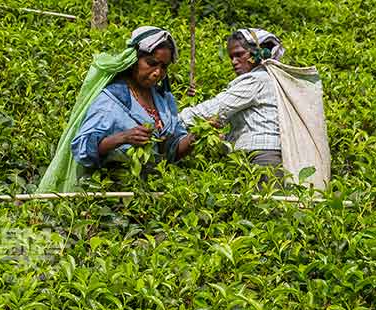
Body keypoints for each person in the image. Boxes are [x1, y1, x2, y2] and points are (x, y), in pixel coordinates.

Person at [37, 26, 195, 193]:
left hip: (153, 195)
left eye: (164, 67)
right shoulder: (110, 100)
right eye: (151, 63)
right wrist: (123, 138)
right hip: (110, 195)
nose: (157, 72)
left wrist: (196, 137)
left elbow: (172, 151)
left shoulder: (164, 100)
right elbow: (82, 149)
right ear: (134, 59)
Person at [179, 28, 286, 171]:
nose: (234, 62)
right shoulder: (267, 78)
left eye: (239, 55)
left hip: (262, 158)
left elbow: (217, 108)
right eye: (231, 57)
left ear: (257, 53)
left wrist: (174, 122)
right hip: (256, 155)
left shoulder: (256, 80)